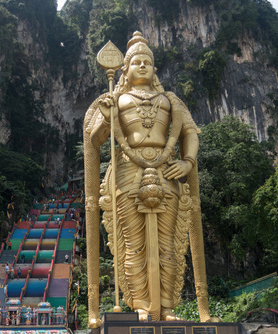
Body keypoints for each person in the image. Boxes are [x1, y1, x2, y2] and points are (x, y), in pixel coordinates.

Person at [83, 32, 218, 326]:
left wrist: (187, 161)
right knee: (134, 244)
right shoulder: (116, 98)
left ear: (155, 70)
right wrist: (107, 118)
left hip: (167, 171)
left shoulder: (169, 100)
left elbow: (190, 132)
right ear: (125, 70)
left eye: (147, 62)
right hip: (127, 173)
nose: (142, 65)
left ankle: (167, 307)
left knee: (168, 244)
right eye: (136, 62)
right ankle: (142, 306)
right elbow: (94, 141)